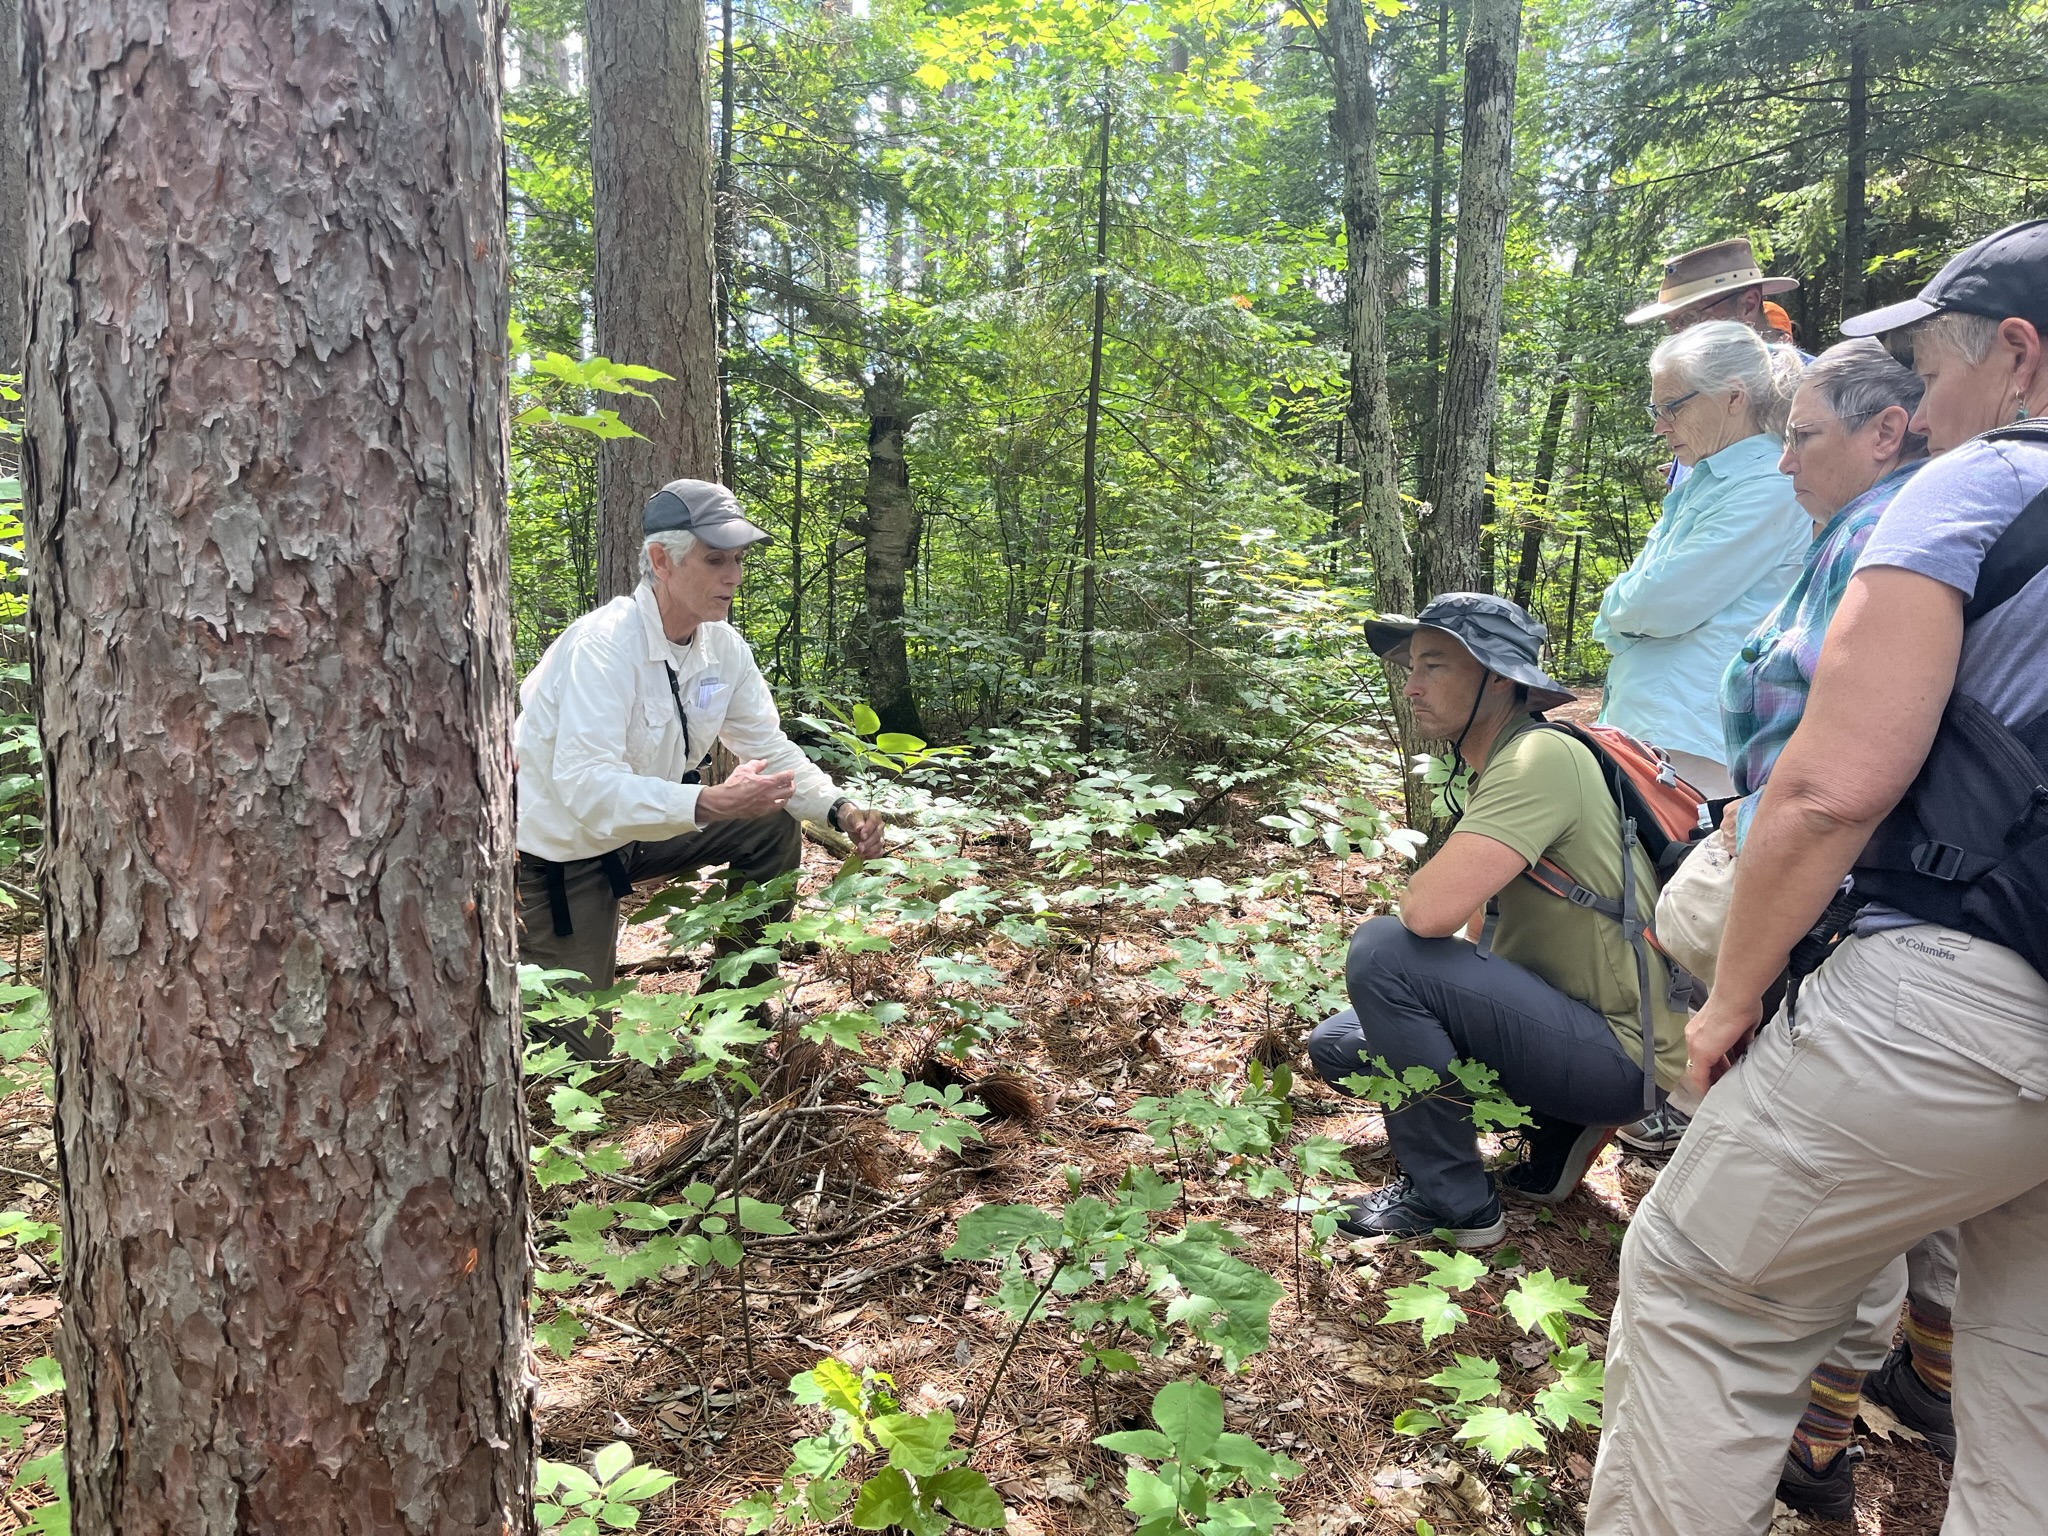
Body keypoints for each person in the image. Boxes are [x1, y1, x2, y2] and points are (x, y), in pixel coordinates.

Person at [1586, 218, 2048, 1536]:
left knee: (1700, 1297)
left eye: (1939, 370)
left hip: (1960, 994)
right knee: (2032, 1413)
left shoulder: (1980, 484)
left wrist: (1729, 1009)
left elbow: (1833, 784)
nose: (1925, 406)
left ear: (2019, 358)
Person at [1685, 338, 1947, 1518]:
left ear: (1882, 431)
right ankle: (1875, 1407)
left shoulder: (1894, 539)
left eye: (1802, 435)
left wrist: (1741, 964)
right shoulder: (1883, 527)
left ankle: (1814, 1439)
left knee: (1831, 1180)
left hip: (1837, 899)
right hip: (1906, 913)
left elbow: (1831, 773)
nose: (1782, 456)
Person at [1304, 595, 1689, 1246]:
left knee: (1382, 950)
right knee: (1341, 1045)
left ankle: (1454, 1202)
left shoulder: (1538, 760)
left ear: (1501, 679)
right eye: (1410, 669)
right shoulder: (1506, 761)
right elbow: (1483, 926)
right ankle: (1557, 1122)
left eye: (1437, 666)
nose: (1414, 687)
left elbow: (1426, 914)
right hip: (1582, 1026)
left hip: (1620, 1053)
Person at [515, 478, 885, 1052]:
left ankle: (734, 1001)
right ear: (662, 561)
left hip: (644, 830)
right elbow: (583, 786)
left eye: (737, 559)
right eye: (715, 560)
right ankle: (509, 956)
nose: (733, 576)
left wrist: (839, 808)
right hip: (563, 853)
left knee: (770, 819)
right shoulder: (604, 646)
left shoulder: (723, 648)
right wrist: (707, 803)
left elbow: (769, 749)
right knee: (577, 1053)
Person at [1594, 321, 1810, 805]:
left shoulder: (1766, 488)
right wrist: (1630, 607)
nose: (1658, 425)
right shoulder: (1709, 480)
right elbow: (1649, 596)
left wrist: (1614, 610)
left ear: (1734, 397)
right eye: (1656, 408)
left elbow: (1659, 602)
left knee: (1665, 872)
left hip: (1691, 737)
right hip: (1657, 730)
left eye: (1672, 406)